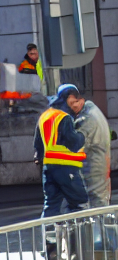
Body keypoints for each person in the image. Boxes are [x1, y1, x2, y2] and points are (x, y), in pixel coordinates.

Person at [33, 83, 89, 217]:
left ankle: (48, 237)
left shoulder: (45, 116)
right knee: (80, 202)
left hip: (48, 169)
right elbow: (73, 143)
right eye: (75, 100)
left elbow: (38, 147)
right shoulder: (64, 117)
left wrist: (41, 160)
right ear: (69, 97)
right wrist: (82, 134)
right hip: (66, 167)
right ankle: (77, 235)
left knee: (51, 205)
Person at [75, 98, 112, 207]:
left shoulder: (87, 118)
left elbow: (77, 143)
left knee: (95, 204)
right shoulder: (94, 112)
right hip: (99, 165)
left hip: (92, 167)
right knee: (100, 203)